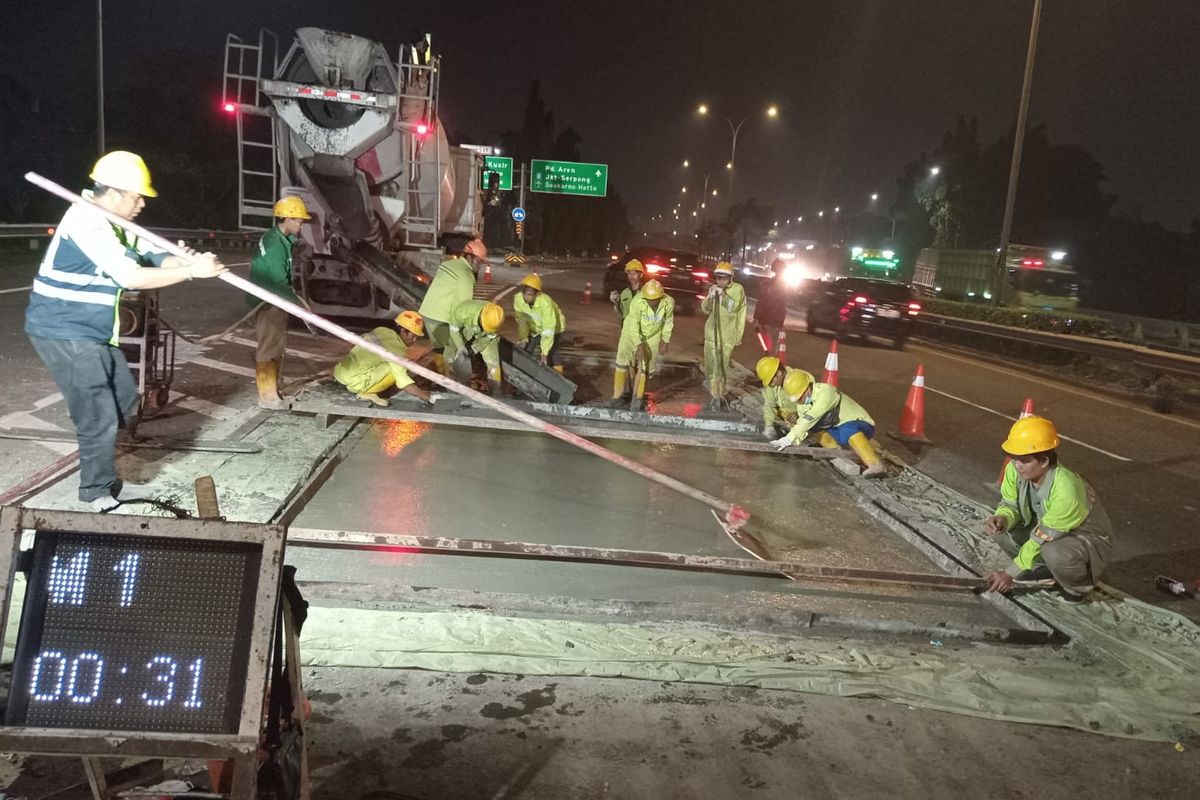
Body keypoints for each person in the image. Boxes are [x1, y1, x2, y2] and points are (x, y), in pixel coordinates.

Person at [24, 150, 225, 511]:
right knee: (99, 413)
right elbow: (131, 276)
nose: (143, 204)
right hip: (63, 329)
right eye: (138, 196)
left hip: (93, 332)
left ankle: (99, 454)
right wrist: (193, 272)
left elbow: (148, 251)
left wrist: (179, 260)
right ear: (115, 192)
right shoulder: (87, 221)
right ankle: (97, 492)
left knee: (125, 398)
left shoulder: (117, 223)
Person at [984, 416, 1112, 602]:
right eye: (1015, 458)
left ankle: (1077, 588)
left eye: (1024, 460)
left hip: (1086, 542)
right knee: (1000, 530)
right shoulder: (1014, 470)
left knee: (1053, 551)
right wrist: (1002, 518)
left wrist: (1009, 573)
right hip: (1050, 532)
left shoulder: (1066, 489)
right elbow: (1010, 504)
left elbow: (1042, 536)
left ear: (1044, 461)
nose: (1017, 465)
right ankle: (1042, 570)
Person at [247, 196, 312, 405]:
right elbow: (278, 282)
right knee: (269, 347)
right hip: (268, 302)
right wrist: (300, 306)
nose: (302, 224)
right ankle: (267, 397)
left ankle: (274, 390)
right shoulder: (275, 245)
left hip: (272, 300)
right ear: (289, 219)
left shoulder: (279, 239)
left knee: (276, 344)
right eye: (299, 220)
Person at [771, 369, 886, 478]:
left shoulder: (826, 392)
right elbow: (804, 425)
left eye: (801, 397)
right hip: (837, 428)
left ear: (807, 389)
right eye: (797, 399)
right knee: (814, 428)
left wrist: (789, 438)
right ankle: (833, 451)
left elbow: (811, 417)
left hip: (860, 423)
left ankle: (876, 465)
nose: (800, 401)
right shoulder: (802, 405)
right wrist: (792, 441)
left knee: (847, 428)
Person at [333, 310, 432, 407]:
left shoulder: (382, 330)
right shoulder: (397, 351)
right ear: (403, 331)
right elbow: (403, 383)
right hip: (356, 383)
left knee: (393, 364)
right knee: (397, 370)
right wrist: (427, 397)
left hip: (340, 372)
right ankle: (366, 392)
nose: (414, 341)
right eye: (413, 336)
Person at [418, 235, 486, 374]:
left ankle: (441, 377)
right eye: (480, 262)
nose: (481, 266)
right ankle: (450, 382)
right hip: (442, 317)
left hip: (428, 312)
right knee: (450, 351)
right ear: (472, 258)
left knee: (439, 348)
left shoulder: (448, 264)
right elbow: (462, 308)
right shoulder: (466, 276)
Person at [612, 279, 674, 410]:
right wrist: (639, 345)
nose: (651, 302)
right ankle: (617, 397)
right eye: (648, 299)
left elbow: (668, 322)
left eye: (654, 299)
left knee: (646, 366)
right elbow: (633, 325)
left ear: (660, 297)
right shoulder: (638, 302)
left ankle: (638, 399)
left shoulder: (668, 303)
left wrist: (665, 340)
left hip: (653, 335)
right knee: (622, 362)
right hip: (631, 333)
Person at [700, 262, 746, 409]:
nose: (721, 281)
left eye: (724, 278)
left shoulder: (737, 290)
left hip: (726, 336)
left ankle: (717, 397)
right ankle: (713, 393)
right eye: (718, 278)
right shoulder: (714, 290)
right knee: (710, 368)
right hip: (711, 334)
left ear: (731, 277)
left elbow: (734, 307)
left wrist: (724, 295)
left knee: (720, 369)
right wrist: (710, 298)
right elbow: (705, 309)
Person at [446, 300, 505, 394]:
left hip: (484, 336)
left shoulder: (495, 320)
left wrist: (475, 348)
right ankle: (451, 387)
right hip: (465, 328)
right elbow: (454, 330)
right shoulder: (463, 312)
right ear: (482, 316)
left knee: (493, 361)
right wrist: (461, 347)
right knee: (450, 354)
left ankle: (496, 391)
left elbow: (489, 337)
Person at [513, 274, 566, 373]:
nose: (528, 296)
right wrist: (523, 337)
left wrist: (544, 353)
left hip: (555, 328)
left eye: (531, 294)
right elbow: (521, 319)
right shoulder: (518, 299)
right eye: (526, 293)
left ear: (536, 293)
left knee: (552, 353)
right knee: (528, 349)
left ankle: (558, 379)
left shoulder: (545, 303)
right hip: (536, 328)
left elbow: (548, 329)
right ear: (522, 291)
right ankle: (524, 372)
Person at [755, 356, 801, 438]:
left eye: (771, 381)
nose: (770, 384)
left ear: (779, 373)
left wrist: (799, 414)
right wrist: (769, 426)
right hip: (788, 422)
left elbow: (814, 406)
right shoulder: (772, 386)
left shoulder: (799, 379)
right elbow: (769, 405)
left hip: (806, 423)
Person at [752, 258, 789, 355]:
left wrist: (756, 318)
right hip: (775, 319)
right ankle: (770, 362)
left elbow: (761, 301)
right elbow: (783, 304)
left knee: (768, 343)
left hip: (767, 318)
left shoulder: (768, 284)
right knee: (772, 342)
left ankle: (769, 364)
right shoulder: (784, 285)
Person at [609, 258, 644, 322]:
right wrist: (616, 302)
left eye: (635, 273)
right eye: (629, 273)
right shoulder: (624, 293)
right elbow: (621, 313)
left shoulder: (646, 293)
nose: (632, 276)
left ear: (641, 275)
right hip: (627, 329)